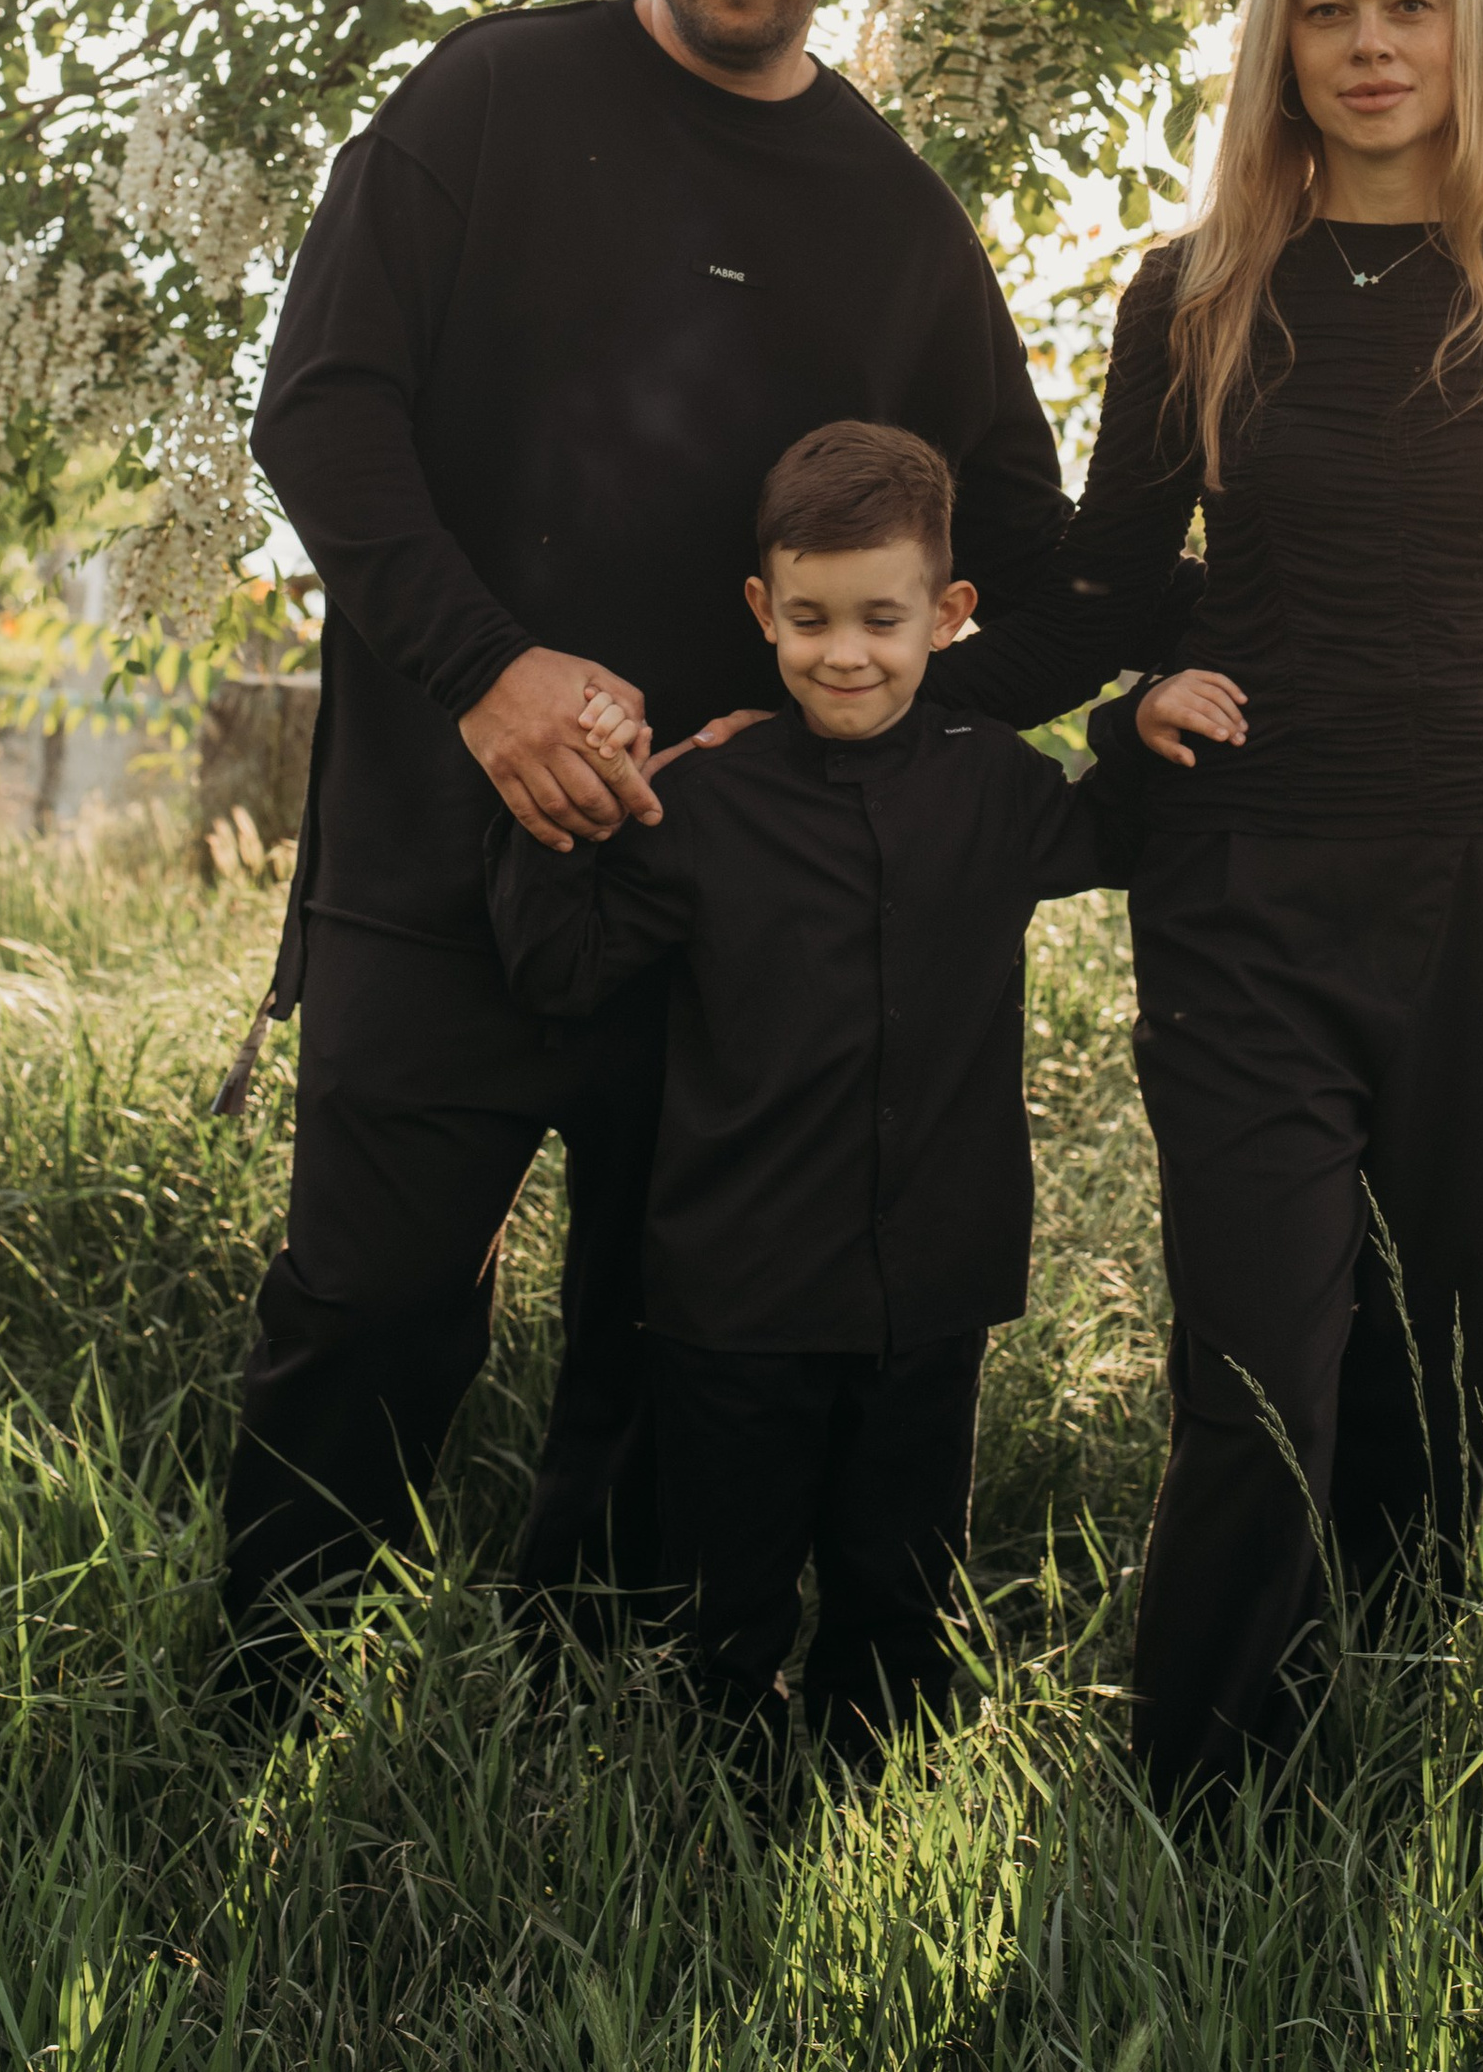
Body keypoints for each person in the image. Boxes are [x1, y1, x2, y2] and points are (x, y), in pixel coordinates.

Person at [218, 0, 1168, 1694]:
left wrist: (845, 751)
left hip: (733, 924)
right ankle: (259, 1696)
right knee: (370, 1299)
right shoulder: (488, 103)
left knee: (656, 1342)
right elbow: (319, 408)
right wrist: (486, 672)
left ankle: (587, 1710)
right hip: (431, 847)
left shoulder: (897, 218)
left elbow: (1051, 578)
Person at [1036, 0, 1483, 1803]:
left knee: (1427, 1389)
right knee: (1255, 1378)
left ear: (1462, 22)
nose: (1368, 42)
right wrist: (1130, 700)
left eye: (1403, 1)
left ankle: (1368, 1799)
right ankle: (1192, 1820)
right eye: (1327, 7)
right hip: (1243, 885)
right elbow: (1112, 580)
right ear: (1277, 40)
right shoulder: (1194, 292)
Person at [487, 421, 1203, 1757]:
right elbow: (556, 966)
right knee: (728, 1611)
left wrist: (1138, 716)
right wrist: (577, 799)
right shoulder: (700, 800)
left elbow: (1123, 826)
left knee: (898, 1597)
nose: (846, 652)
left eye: (883, 618)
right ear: (764, 611)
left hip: (929, 1286)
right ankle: (719, 1833)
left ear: (950, 614)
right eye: (811, 619)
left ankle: (869, 1821)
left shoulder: (994, 786)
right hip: (734, 1298)